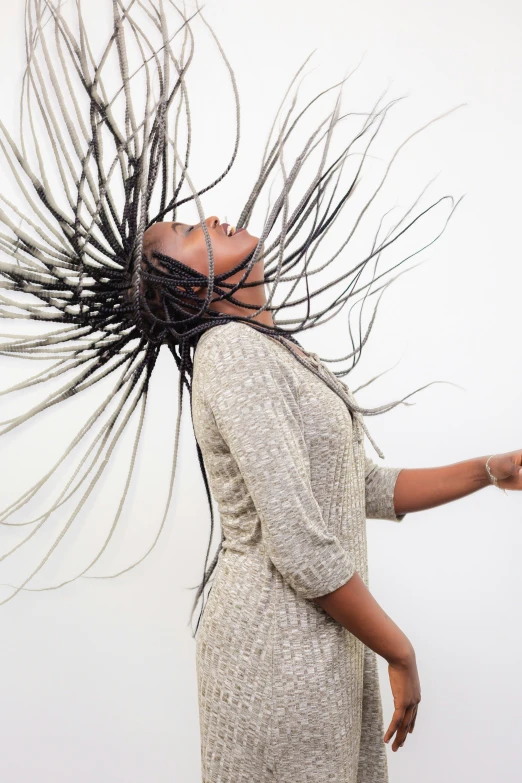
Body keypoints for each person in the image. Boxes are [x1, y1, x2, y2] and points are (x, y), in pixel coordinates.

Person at [1, 3, 521, 782]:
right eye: (188, 233)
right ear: (187, 287)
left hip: (322, 645)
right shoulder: (231, 354)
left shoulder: (273, 354)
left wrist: (488, 468)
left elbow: (358, 487)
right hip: (276, 656)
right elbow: (303, 543)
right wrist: (402, 650)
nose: (211, 216)